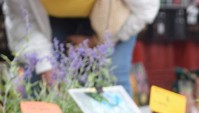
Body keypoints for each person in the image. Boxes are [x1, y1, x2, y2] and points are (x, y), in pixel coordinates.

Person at [3, 0, 160, 95]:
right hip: (53, 18)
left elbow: (145, 10)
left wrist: (98, 41)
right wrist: (45, 66)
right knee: (39, 83)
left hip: (115, 17)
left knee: (112, 82)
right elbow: (23, 22)